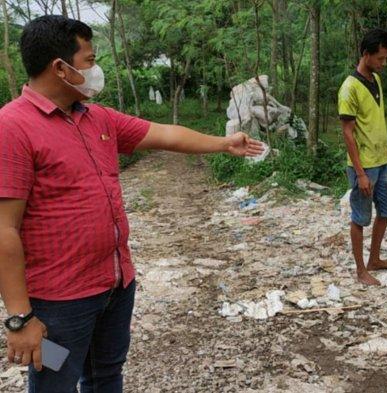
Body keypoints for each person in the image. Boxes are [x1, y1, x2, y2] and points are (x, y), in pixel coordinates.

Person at [0, 16, 264, 392]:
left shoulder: (96, 118)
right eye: (90, 60)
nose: (95, 70)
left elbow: (164, 135)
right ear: (61, 68)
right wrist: (20, 319)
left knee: (106, 375)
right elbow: (3, 228)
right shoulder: (13, 126)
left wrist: (223, 143)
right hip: (60, 303)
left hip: (115, 285)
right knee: (56, 381)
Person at [338, 28, 387, 286]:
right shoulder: (349, 88)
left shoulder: (377, 81)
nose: (384, 63)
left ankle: (375, 258)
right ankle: (361, 270)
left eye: (386, 58)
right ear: (366, 55)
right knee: (360, 218)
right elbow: (348, 133)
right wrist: (361, 173)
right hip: (363, 167)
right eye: (380, 59)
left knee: (385, 211)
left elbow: (376, 122)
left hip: (382, 162)